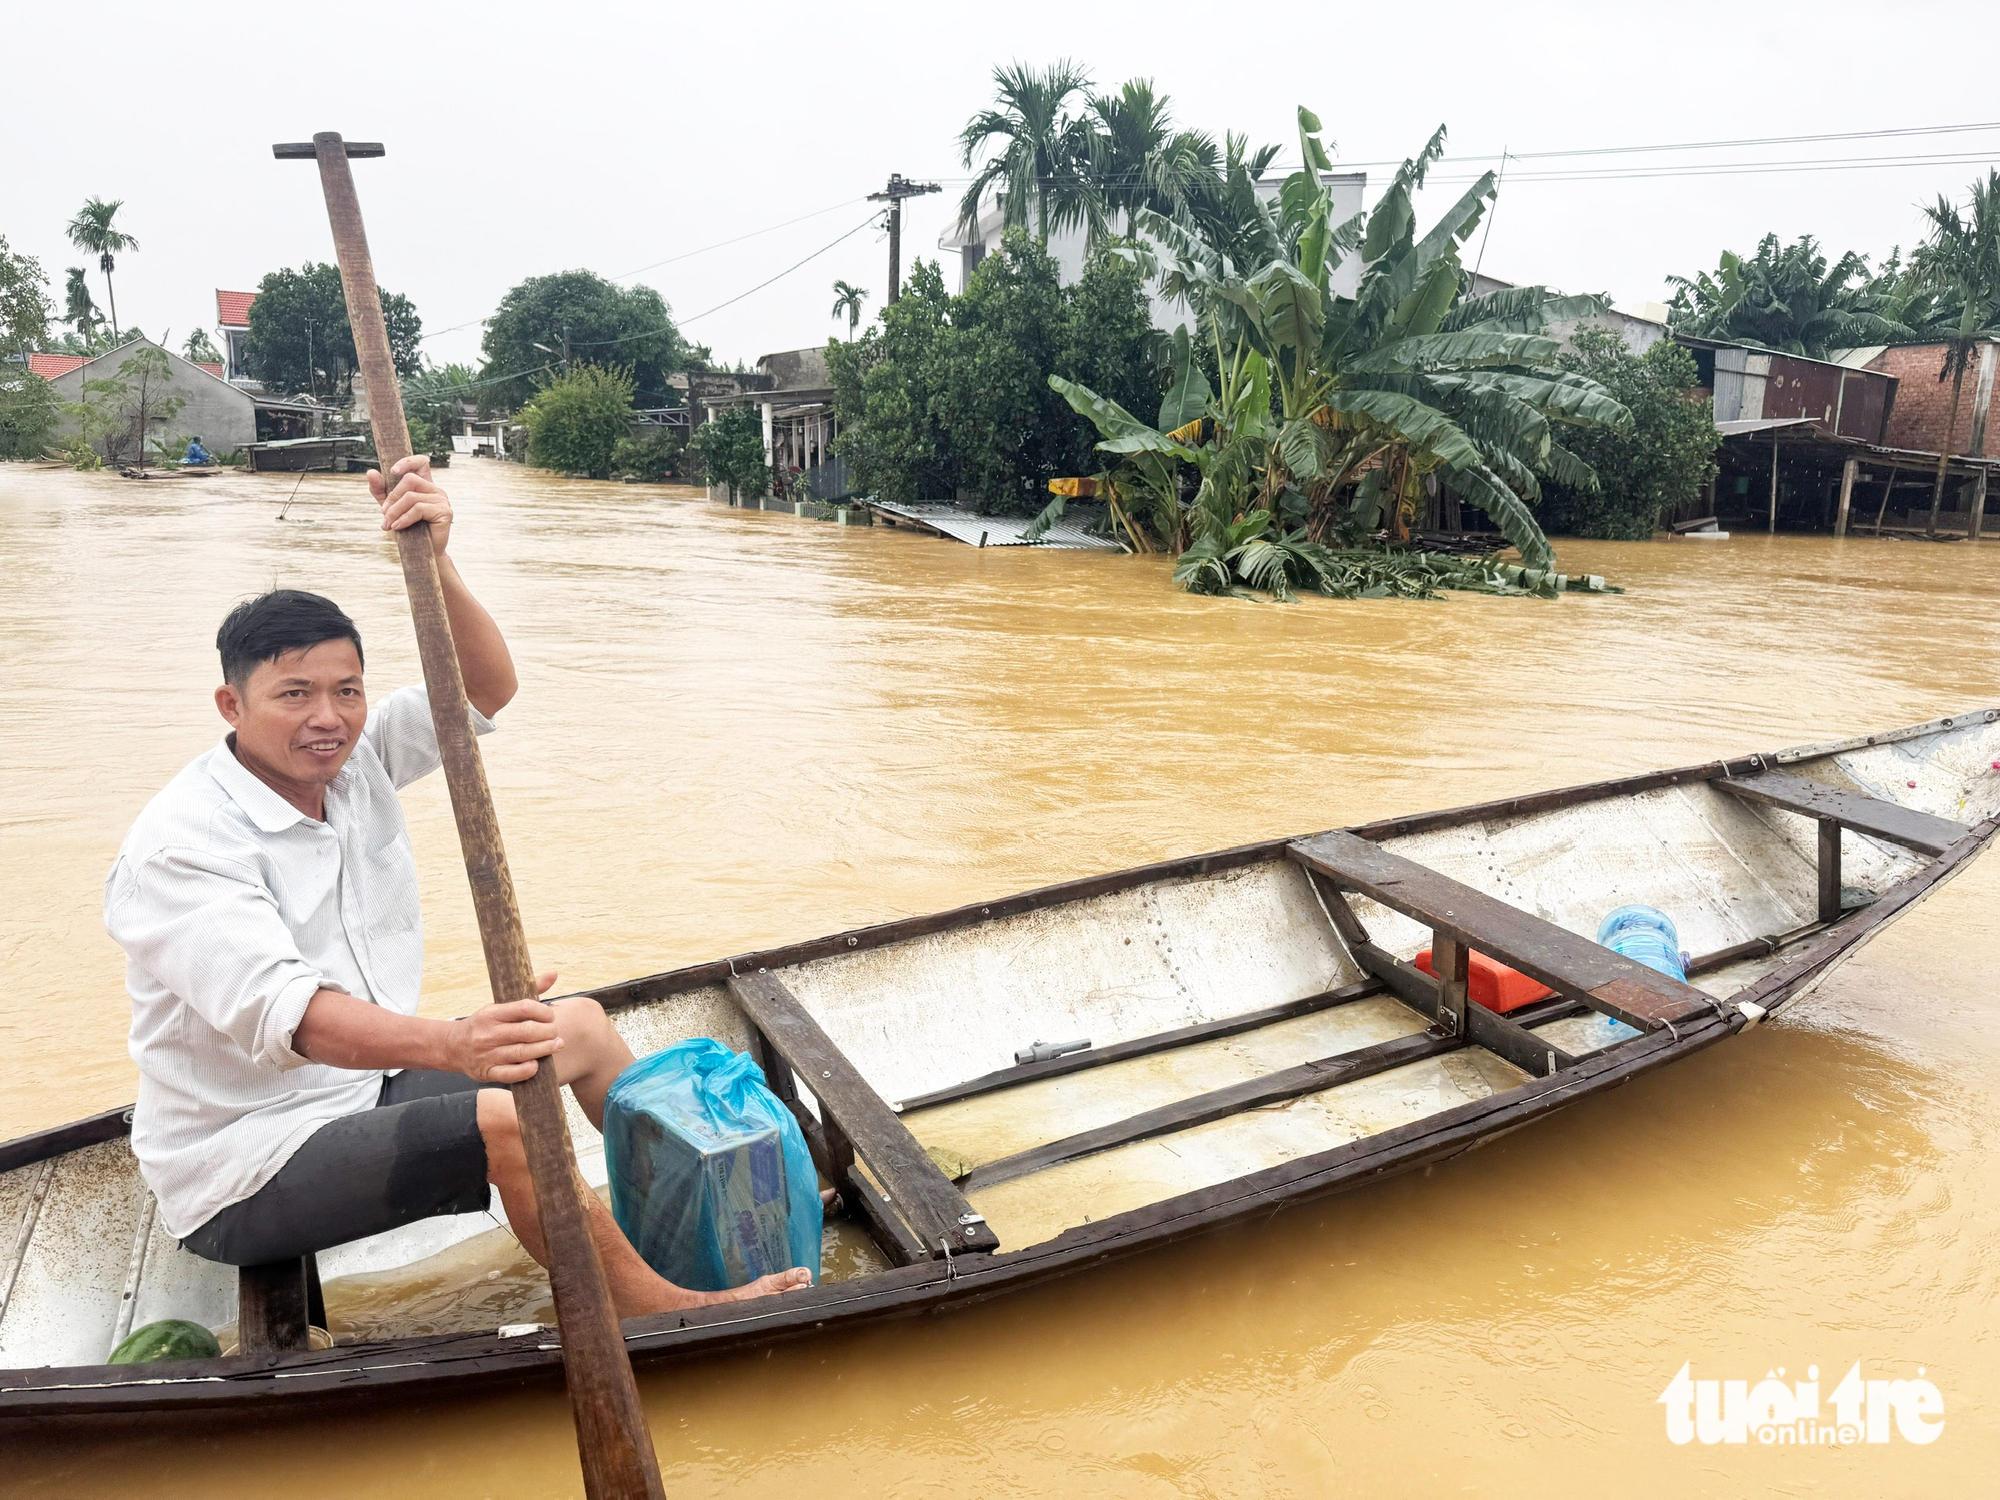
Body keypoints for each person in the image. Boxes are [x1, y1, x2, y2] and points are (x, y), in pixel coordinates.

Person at [104, 455, 811, 1315]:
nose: (326, 718)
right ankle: (661, 1306)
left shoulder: (351, 762)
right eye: (294, 694)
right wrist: (455, 1045)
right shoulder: (181, 846)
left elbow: (483, 688)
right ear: (231, 705)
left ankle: (706, 1219)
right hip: (243, 1165)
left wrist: (436, 557)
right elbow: (294, 1018)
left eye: (345, 690)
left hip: (358, 1093)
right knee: (505, 1118)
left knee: (576, 1029)